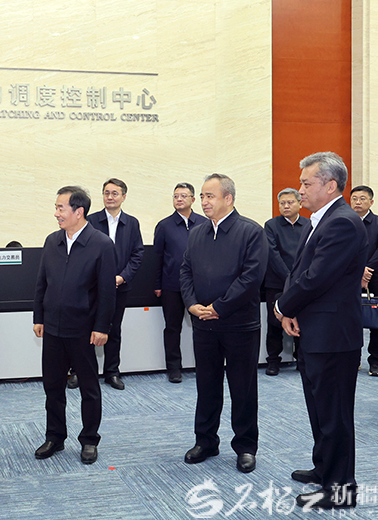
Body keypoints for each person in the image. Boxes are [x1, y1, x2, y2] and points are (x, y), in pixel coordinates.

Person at [276, 151, 367, 509]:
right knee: (320, 410)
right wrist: (289, 309)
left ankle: (340, 490)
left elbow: (316, 278)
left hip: (333, 337)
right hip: (315, 331)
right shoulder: (322, 219)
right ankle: (324, 469)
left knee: (335, 417)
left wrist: (282, 306)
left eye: (306, 183)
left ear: (330, 185)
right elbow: (298, 271)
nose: (299, 189)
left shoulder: (342, 222)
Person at [180, 174, 267, 474]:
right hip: (203, 325)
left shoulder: (251, 232)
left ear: (228, 199)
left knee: (243, 388)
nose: (203, 201)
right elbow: (185, 271)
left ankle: (245, 447)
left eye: (210, 196)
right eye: (202, 196)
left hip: (239, 325)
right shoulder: (197, 233)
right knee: (206, 386)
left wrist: (219, 307)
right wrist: (192, 304)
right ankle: (205, 441)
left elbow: (251, 278)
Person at [33, 186, 116, 465]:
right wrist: (38, 317)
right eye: (56, 207)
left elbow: (107, 292)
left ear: (78, 212)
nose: (56, 213)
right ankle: (55, 437)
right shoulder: (52, 241)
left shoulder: (101, 244)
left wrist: (102, 327)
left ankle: (89, 439)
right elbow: (41, 283)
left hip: (84, 330)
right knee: (52, 387)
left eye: (61, 208)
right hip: (53, 328)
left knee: (89, 389)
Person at [84, 178, 144, 391]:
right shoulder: (91, 220)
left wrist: (122, 277)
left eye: (115, 193)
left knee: (113, 329)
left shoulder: (132, 223)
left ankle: (112, 372)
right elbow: (84, 253)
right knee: (86, 329)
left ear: (123, 197)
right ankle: (81, 372)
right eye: (106, 193)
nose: (110, 197)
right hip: (92, 288)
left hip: (120, 286)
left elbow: (137, 254)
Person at [153, 183, 208, 383]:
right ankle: (174, 368)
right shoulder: (164, 225)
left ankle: (204, 365)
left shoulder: (204, 223)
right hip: (171, 285)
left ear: (193, 199)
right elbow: (157, 257)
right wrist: (158, 284)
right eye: (176, 196)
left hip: (198, 286)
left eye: (183, 196)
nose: (179, 199)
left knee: (202, 327)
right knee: (172, 328)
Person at [262, 188, 310, 375]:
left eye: (290, 202)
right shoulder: (271, 225)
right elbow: (272, 255)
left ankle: (301, 358)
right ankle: (273, 360)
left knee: (301, 321)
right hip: (277, 282)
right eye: (282, 203)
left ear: (300, 203)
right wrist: (290, 278)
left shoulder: (309, 224)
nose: (286, 206)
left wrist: (298, 280)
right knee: (275, 322)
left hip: (302, 283)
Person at [350, 185, 378, 377]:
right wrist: (358, 271)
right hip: (350, 277)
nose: (358, 202)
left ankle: (376, 361)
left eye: (362, 198)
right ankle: (353, 358)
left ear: (371, 202)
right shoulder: (345, 222)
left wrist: (366, 271)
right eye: (354, 199)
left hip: (376, 277)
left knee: (377, 320)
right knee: (351, 319)